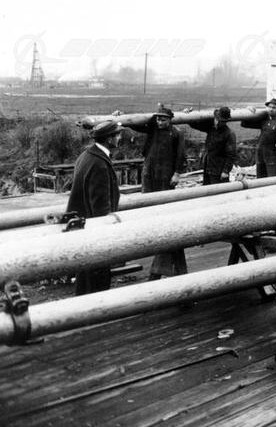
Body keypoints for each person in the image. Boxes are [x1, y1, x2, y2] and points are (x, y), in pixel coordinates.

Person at [67, 120, 122, 295]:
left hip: (82, 224)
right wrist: (107, 228)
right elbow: (100, 206)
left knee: (86, 272)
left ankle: (84, 302)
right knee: (98, 276)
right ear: (109, 139)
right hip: (94, 228)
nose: (120, 138)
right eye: (117, 135)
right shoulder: (99, 163)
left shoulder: (87, 155)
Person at [128, 104, 186, 193]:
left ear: (170, 120)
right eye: (158, 120)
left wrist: (177, 174)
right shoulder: (152, 129)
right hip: (149, 168)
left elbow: (181, 155)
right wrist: (120, 117)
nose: (160, 123)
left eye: (163, 120)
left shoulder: (176, 133)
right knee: (147, 194)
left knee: (165, 195)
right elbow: (134, 125)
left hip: (166, 170)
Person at [188, 106, 237, 185]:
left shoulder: (229, 134)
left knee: (219, 190)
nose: (218, 122)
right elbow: (195, 125)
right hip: (208, 167)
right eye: (217, 120)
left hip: (219, 170)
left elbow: (231, 155)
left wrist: (225, 171)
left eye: (222, 121)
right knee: (207, 188)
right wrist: (189, 114)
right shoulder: (212, 128)